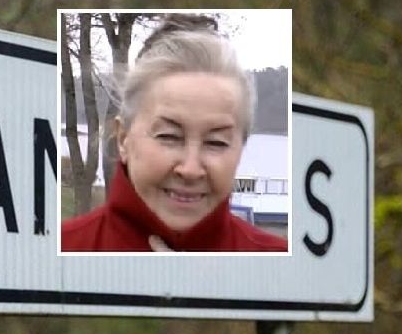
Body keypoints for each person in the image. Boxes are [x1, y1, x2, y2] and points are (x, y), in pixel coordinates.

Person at [61, 16, 288, 252]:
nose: (190, 170)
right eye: (169, 137)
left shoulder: (282, 264)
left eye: (216, 142)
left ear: (241, 148)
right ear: (123, 139)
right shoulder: (60, 252)